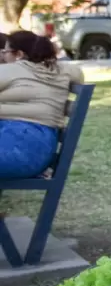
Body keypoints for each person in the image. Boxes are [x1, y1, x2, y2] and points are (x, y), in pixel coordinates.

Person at [0, 32, 83, 179]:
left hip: (15, 150)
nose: (2, 56)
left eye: (5, 52)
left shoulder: (11, 70)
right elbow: (78, 74)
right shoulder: (62, 70)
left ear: (19, 54)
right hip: (40, 152)